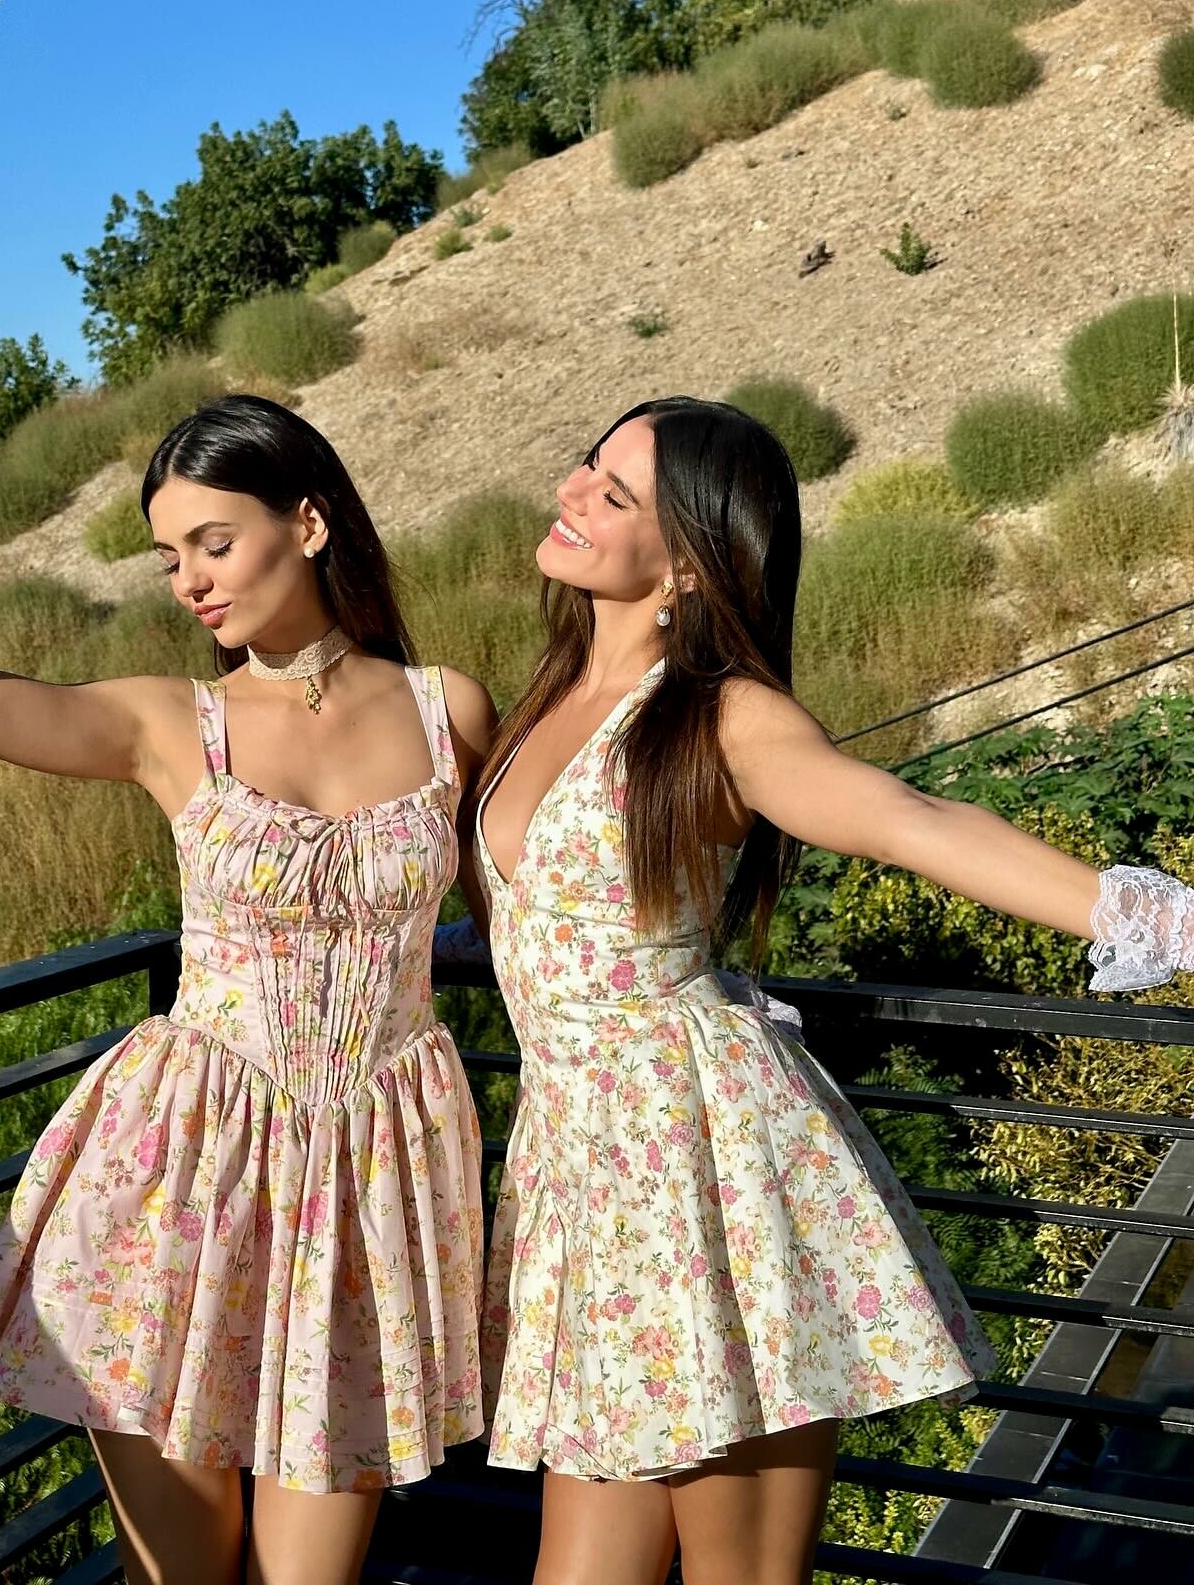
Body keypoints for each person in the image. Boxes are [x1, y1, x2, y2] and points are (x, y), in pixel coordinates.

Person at [0, 261, 498, 1585]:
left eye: (213, 542)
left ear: (309, 522)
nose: (188, 579)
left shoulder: (449, 711)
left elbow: (531, 925)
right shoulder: (167, 723)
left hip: (374, 1190)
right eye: (169, 556)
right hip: (184, 1178)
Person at [466, 394, 1190, 1585]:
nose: (573, 494)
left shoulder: (721, 717)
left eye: (615, 492)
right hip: (583, 1175)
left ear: (690, 563)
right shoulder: (543, 693)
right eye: (587, 467)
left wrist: (1170, 921)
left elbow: (913, 820)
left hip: (702, 1167)